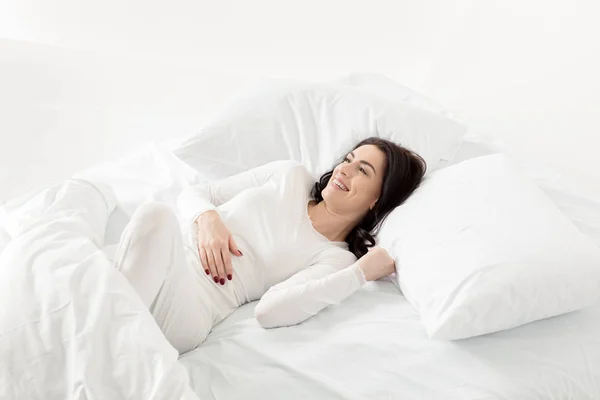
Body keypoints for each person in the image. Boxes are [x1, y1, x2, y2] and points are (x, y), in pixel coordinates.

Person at [114, 137, 426, 354]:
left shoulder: (334, 257)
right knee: (154, 216)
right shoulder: (289, 176)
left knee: (148, 233)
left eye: (363, 170)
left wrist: (360, 274)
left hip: (189, 311)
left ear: (377, 199)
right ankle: (110, 335)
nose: (344, 169)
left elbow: (270, 312)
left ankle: (108, 332)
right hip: (155, 264)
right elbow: (197, 193)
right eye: (349, 159)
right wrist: (208, 219)